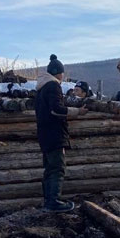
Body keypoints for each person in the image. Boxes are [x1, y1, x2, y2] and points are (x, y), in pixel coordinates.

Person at [35, 54, 87, 212]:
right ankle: (54, 201)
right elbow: (56, 109)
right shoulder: (52, 85)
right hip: (54, 134)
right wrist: (77, 111)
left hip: (45, 134)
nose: (63, 76)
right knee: (57, 167)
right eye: (62, 72)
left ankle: (48, 201)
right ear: (58, 72)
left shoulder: (42, 87)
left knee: (50, 168)